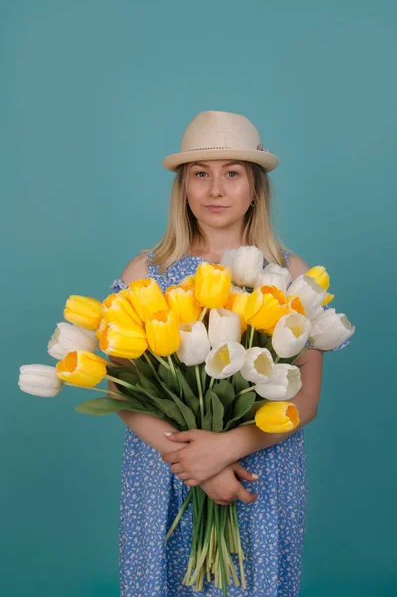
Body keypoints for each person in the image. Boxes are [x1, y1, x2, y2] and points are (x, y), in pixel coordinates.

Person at [108, 110, 349, 596]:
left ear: (256, 187)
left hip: (256, 467)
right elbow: (122, 390)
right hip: (167, 473)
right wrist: (198, 466)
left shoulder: (287, 274)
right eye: (201, 174)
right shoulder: (146, 273)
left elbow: (306, 400)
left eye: (232, 174)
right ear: (183, 188)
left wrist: (226, 452)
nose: (215, 190)